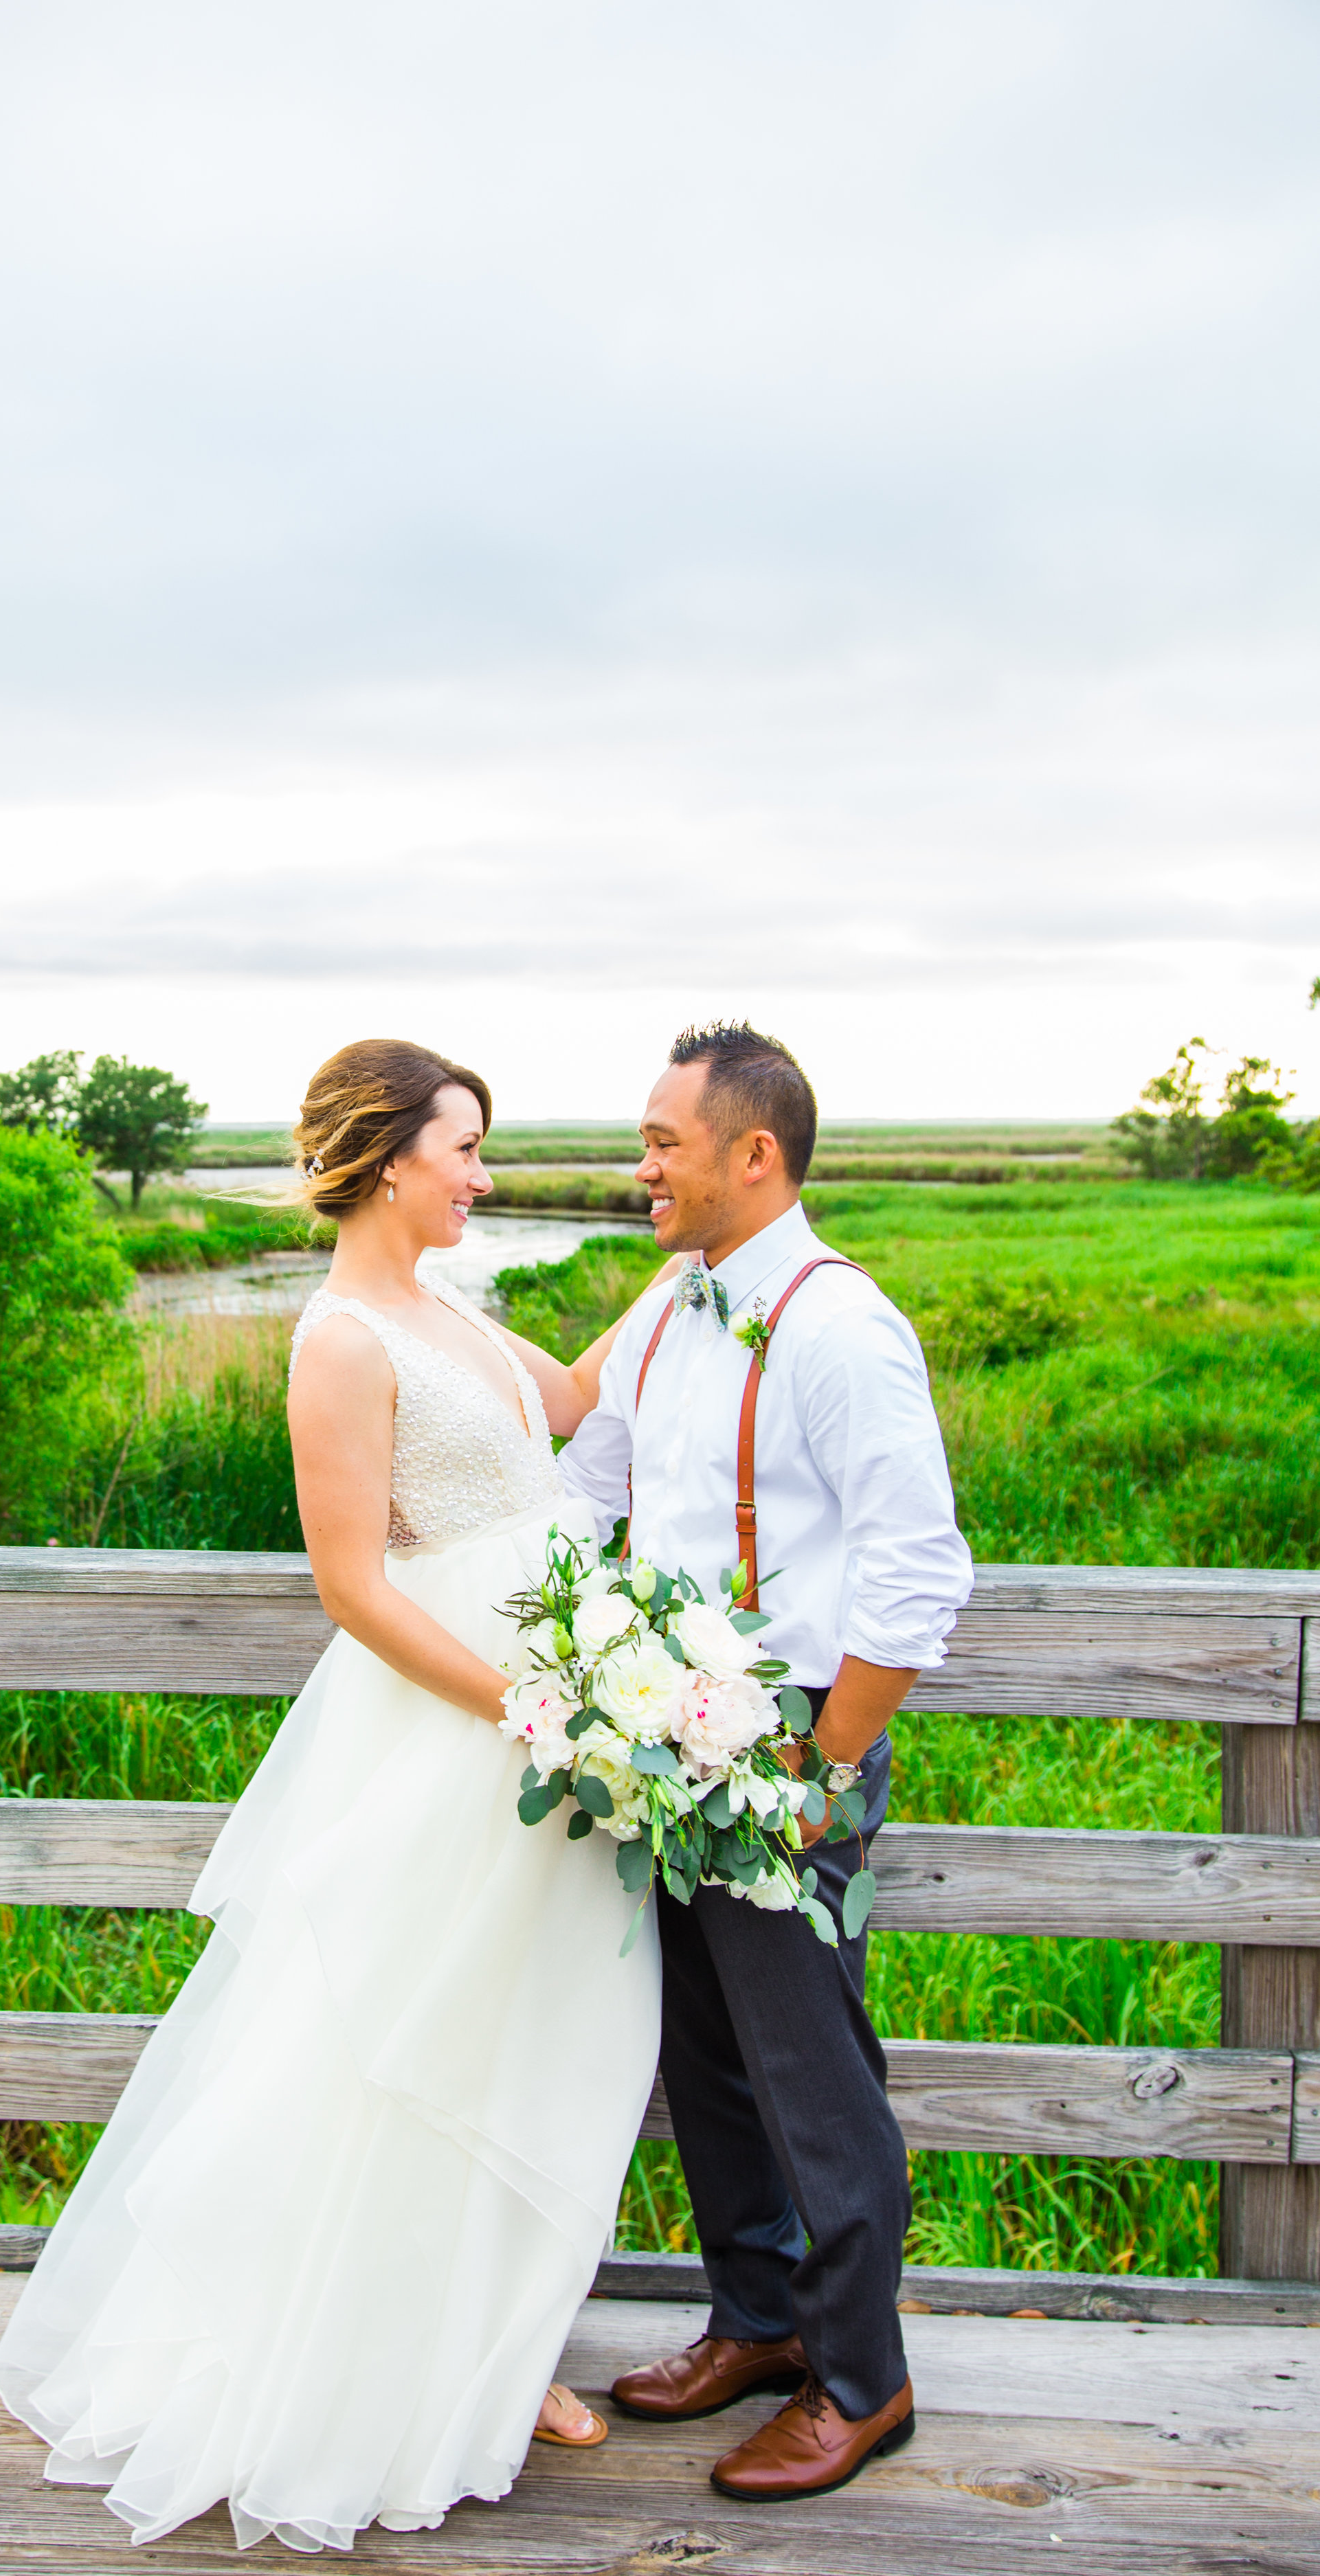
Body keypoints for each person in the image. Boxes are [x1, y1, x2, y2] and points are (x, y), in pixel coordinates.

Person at [0, 1037, 666, 2553]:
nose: (483, 1177)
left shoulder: (456, 1311)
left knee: (539, 2030)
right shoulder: (339, 1341)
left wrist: (686, 1272)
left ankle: (496, 2348)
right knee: (412, 2042)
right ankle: (395, 2371)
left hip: (557, 1722)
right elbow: (353, 1587)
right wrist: (530, 1711)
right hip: (461, 1732)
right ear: (384, 1156)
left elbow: (564, 1406)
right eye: (465, 1148)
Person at [559, 1019, 973, 2505]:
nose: (642, 1166)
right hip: (661, 1727)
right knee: (706, 2057)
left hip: (792, 1728)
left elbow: (917, 1570)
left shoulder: (837, 1321)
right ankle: (754, 2323)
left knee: (808, 2063)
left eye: (664, 1141)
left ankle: (862, 2377)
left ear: (753, 1152)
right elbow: (587, 1483)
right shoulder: (671, 1308)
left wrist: (819, 1758)